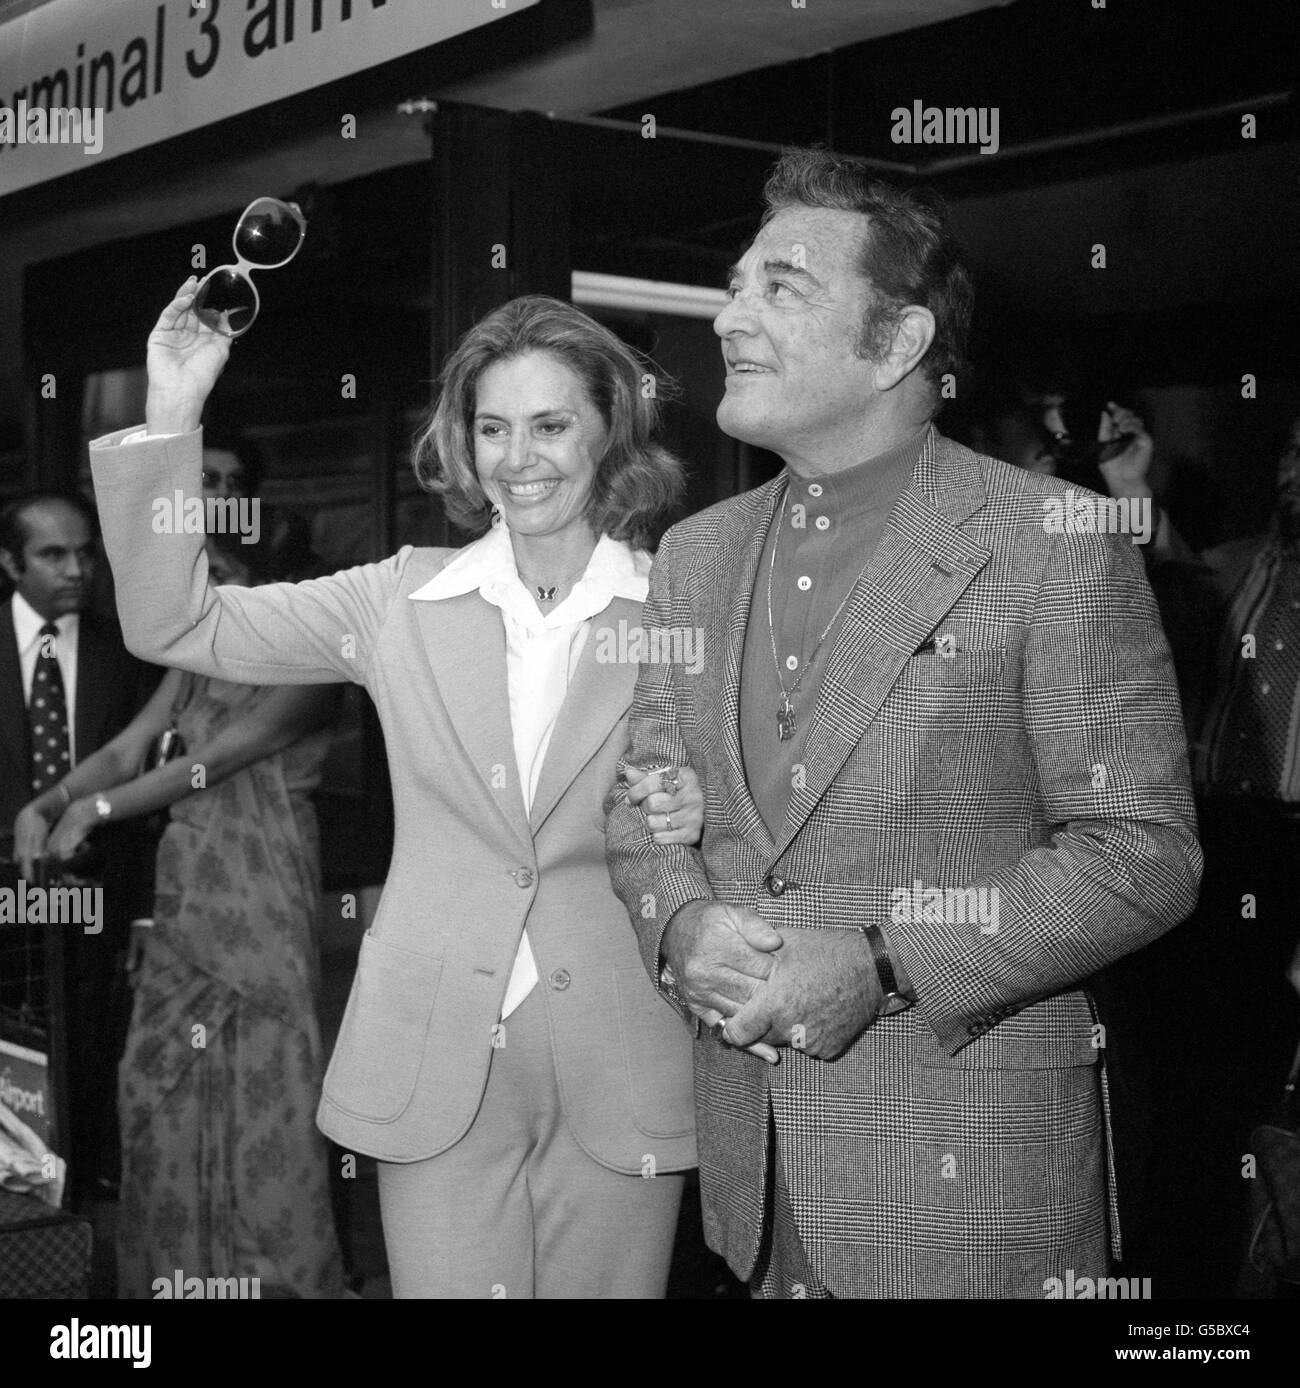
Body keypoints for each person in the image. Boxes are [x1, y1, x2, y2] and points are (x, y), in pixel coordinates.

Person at [605, 147, 1202, 1299]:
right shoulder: (695, 553)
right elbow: (639, 795)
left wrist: (881, 962)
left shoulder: (1054, 541)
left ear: (900, 342)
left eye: (780, 285)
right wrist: (677, 925)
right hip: (754, 1186)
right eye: (736, 284)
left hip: (966, 1197)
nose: (731, 315)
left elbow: (1142, 853)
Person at [88, 288, 704, 1299]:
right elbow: (173, 623)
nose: (519, 456)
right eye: (491, 427)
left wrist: (699, 807)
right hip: (433, 1055)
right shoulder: (397, 598)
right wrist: (172, 414)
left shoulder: (685, 601)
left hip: (621, 1051)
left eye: (550, 423)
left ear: (611, 426)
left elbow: (749, 794)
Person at [15, 528, 348, 1298]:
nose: (205, 592)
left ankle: (272, 1279)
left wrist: (95, 809)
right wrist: (54, 799)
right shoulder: (196, 654)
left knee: (265, 1081)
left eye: (222, 573)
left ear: (270, 579)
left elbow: (213, 763)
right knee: (153, 1082)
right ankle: (179, 1277)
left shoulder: (314, 654)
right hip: (187, 889)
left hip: (260, 893)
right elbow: (132, 747)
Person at [1, 490, 159, 1201]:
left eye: (85, 553)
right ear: (9, 562)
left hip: (101, 886)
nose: (76, 570)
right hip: (5, 890)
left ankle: (84, 1192)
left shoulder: (125, 652)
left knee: (91, 1044)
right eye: (53, 554)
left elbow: (144, 764)